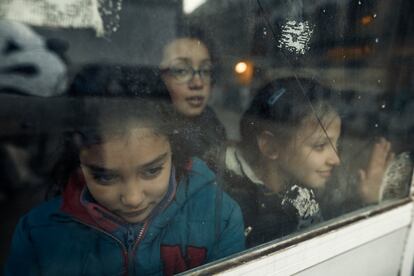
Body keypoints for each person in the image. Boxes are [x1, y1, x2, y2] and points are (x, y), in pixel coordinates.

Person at [5, 71, 245, 275]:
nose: (132, 198)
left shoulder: (219, 217)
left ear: (174, 149)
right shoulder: (38, 232)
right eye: (105, 177)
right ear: (77, 159)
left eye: (152, 171)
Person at [223, 77, 393, 247]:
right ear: (270, 146)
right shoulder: (239, 210)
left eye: (336, 144)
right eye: (320, 146)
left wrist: (367, 200)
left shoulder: (307, 188)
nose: (336, 160)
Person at [159, 26, 226, 169]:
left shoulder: (213, 125)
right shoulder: (147, 136)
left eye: (205, 70)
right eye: (181, 70)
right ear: (159, 77)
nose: (198, 83)